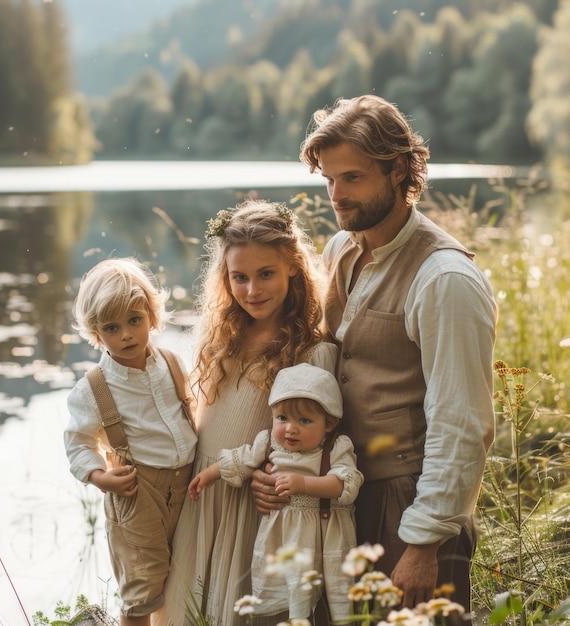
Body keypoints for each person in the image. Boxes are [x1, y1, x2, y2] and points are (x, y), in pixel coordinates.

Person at [253, 95, 497, 612]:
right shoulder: (343, 248)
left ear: (400, 170)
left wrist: (424, 542)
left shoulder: (445, 279)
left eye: (353, 178)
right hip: (342, 493)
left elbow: (461, 422)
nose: (336, 195)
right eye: (329, 180)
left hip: (408, 502)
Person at [154, 200, 338, 626]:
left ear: (293, 266)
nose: (252, 290)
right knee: (188, 608)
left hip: (251, 502)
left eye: (265, 274)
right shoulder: (222, 338)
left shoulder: (311, 352)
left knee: (233, 609)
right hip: (202, 496)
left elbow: (314, 440)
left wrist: (272, 471)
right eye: (239, 277)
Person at [64, 257, 198, 626]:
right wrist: (99, 476)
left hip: (186, 483)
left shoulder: (170, 362)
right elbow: (77, 441)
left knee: (186, 569)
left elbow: (187, 411)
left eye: (135, 321)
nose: (126, 334)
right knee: (142, 584)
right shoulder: (94, 388)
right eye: (112, 327)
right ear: (96, 333)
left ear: (152, 318)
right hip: (138, 493)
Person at [188, 362, 363, 623]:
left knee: (334, 602)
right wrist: (209, 474)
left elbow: (345, 484)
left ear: (329, 423)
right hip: (283, 538)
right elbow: (241, 459)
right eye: (282, 418)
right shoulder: (268, 443)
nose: (290, 428)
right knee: (285, 599)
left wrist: (303, 485)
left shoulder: (336, 447)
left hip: (326, 537)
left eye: (304, 420)